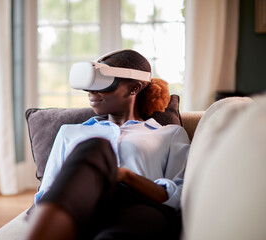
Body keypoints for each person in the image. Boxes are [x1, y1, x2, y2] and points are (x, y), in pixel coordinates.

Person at [24, 50, 190, 240]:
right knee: (95, 147)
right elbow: (47, 193)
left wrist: (125, 176)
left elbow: (179, 197)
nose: (91, 92)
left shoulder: (169, 134)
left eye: (102, 83)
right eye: (90, 84)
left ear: (134, 88)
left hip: (141, 207)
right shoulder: (70, 132)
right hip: (83, 206)